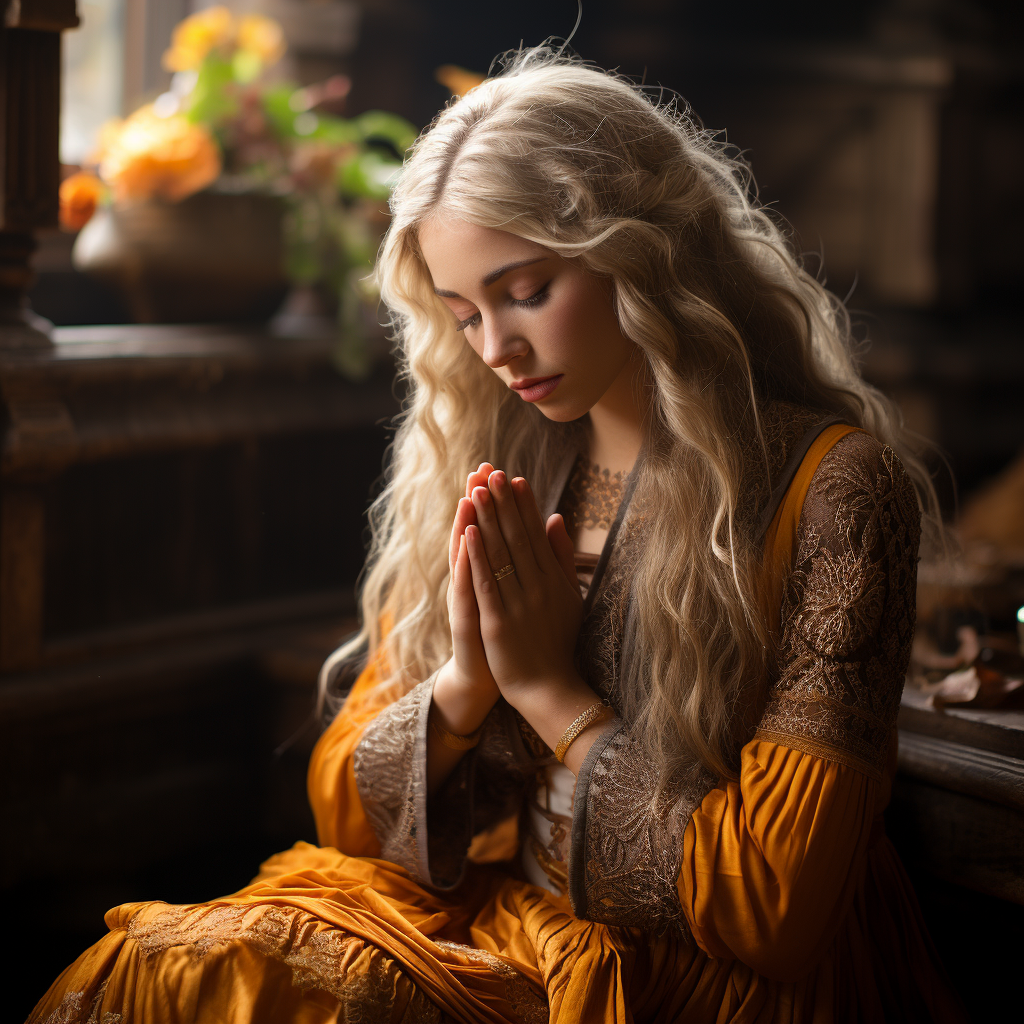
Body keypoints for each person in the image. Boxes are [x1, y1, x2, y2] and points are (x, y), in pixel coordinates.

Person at [30, 47, 966, 1024]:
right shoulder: (490, 449)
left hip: (680, 978)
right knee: (152, 974)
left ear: (642, 250)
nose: (495, 349)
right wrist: (467, 684)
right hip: (490, 922)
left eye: (524, 292)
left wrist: (549, 694)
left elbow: (777, 906)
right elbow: (342, 806)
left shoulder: (833, 488)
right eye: (463, 313)